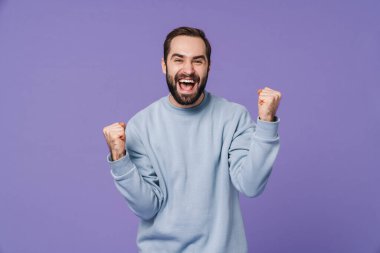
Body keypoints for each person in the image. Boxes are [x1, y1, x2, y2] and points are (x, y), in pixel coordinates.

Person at [102, 26, 282, 253]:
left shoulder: (233, 117)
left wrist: (266, 123)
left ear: (209, 67)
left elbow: (251, 185)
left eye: (198, 61)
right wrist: (120, 159)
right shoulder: (141, 125)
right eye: (179, 60)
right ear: (164, 65)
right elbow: (146, 208)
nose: (188, 70)